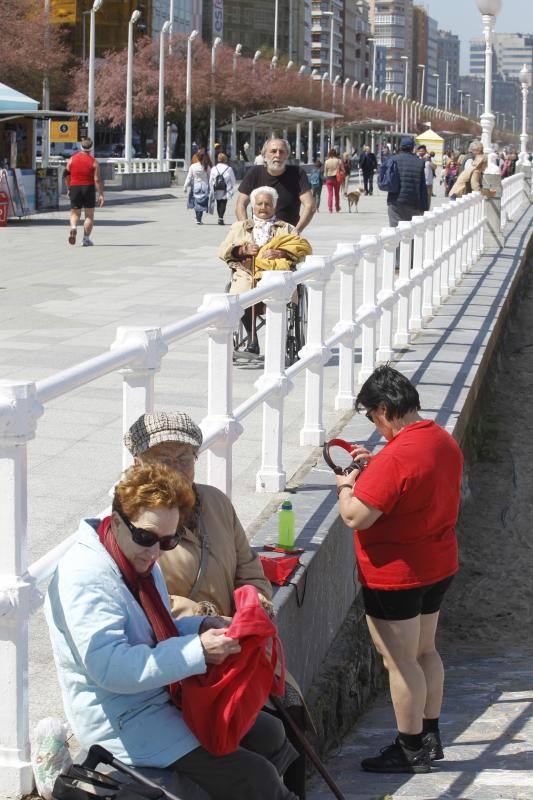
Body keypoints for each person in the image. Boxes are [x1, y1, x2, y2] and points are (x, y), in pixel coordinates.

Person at [45, 462, 298, 799]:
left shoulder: (133, 556)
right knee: (256, 777)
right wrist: (197, 651)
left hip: (158, 696)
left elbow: (154, 628)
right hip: (123, 718)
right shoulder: (86, 578)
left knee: (271, 733)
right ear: (117, 520)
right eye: (145, 537)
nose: (154, 552)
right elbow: (110, 667)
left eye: (168, 542)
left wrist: (204, 625)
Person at [334, 365, 463, 774]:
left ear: (385, 409)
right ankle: (430, 737)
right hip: (438, 564)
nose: (376, 427)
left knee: (400, 661)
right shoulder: (441, 440)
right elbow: (409, 483)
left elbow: (356, 516)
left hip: (397, 575)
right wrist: (377, 463)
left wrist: (346, 484)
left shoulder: (396, 456)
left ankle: (409, 751)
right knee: (426, 652)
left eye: (374, 418)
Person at [123, 411, 273, 618]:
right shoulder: (130, 521)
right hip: (179, 644)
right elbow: (136, 593)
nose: (176, 469)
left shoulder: (216, 502)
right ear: (138, 464)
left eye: (185, 458)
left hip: (236, 638)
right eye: (164, 460)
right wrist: (201, 617)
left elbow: (247, 565)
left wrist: (254, 603)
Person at [220, 186, 311, 354]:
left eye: (268, 204)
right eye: (259, 203)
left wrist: (281, 252)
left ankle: (277, 341)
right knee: (243, 294)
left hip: (275, 274)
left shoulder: (287, 228)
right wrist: (242, 250)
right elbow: (223, 251)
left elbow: (300, 252)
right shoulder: (239, 227)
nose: (263, 207)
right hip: (247, 272)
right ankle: (252, 339)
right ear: (252, 206)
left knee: (278, 292)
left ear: (274, 206)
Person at [236, 138, 315, 232]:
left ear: (287, 155)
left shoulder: (297, 173)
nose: (278, 155)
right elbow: (240, 205)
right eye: (273, 151)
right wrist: (247, 230)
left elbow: (310, 206)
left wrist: (296, 231)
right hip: (259, 234)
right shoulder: (254, 173)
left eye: (282, 152)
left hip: (286, 235)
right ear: (264, 156)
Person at [64, 137, 104, 247]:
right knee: (89, 216)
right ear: (91, 148)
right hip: (88, 188)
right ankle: (86, 240)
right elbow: (97, 179)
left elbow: (66, 175)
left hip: (75, 188)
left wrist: (69, 188)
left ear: (81, 147)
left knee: (75, 212)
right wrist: (100, 194)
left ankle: (73, 227)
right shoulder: (94, 162)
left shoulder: (72, 159)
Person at [386, 136, 428, 228]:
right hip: (414, 202)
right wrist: (425, 206)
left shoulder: (393, 160)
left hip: (395, 201)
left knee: (395, 231)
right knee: (410, 233)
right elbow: (422, 187)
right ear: (413, 148)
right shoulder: (420, 163)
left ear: (400, 147)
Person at [209, 152, 236, 226]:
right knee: (223, 203)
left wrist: (212, 187)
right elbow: (233, 180)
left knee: (218, 203)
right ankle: (221, 218)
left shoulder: (214, 168)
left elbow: (211, 180)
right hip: (225, 189)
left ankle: (220, 217)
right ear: (225, 159)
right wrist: (231, 186)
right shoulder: (229, 168)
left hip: (216, 188)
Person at [184, 152, 211, 225]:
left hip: (196, 186)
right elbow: (210, 178)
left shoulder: (193, 166)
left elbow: (189, 177)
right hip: (204, 186)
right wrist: (211, 187)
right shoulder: (206, 167)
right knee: (202, 203)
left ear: (197, 158)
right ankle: (199, 218)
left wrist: (185, 187)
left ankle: (197, 218)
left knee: (196, 202)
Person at [323, 148, 343, 213]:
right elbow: (343, 170)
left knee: (330, 194)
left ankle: (330, 209)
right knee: (337, 194)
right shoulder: (339, 161)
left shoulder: (326, 161)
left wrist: (325, 179)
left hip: (329, 179)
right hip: (337, 179)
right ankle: (337, 207)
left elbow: (325, 172)